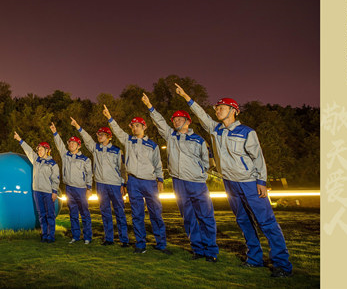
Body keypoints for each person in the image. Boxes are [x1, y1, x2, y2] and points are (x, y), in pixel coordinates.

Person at [175, 83, 293, 277]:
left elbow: (258, 158)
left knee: (266, 222)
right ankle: (254, 259)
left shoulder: (247, 132)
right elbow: (201, 115)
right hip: (230, 184)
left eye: (221, 107)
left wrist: (262, 181)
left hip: (250, 183)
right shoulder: (216, 130)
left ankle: (282, 264)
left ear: (234, 111)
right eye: (216, 108)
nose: (217, 110)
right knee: (244, 222)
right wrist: (186, 97)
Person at [141, 93, 218, 262]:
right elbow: (160, 122)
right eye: (174, 120)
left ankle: (211, 250)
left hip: (197, 183)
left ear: (188, 121)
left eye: (179, 119)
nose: (176, 122)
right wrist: (149, 106)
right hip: (179, 183)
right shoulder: (171, 136)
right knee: (188, 217)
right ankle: (197, 249)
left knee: (205, 216)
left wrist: (199, 173)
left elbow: (206, 161)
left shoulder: (198, 140)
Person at [103, 105, 168, 254]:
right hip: (133, 182)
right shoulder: (128, 141)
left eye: (137, 125)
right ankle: (140, 244)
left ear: (144, 127)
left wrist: (160, 180)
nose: (134, 128)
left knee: (155, 213)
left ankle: (161, 244)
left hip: (149, 181)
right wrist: (109, 118)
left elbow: (158, 164)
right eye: (132, 126)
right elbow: (118, 131)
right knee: (137, 214)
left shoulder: (152, 145)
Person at [70, 117, 130, 247]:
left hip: (115, 185)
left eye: (102, 134)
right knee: (105, 212)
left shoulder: (117, 150)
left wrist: (123, 184)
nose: (99, 136)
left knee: (119, 212)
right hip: (101, 185)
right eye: (98, 135)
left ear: (109, 136)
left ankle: (124, 240)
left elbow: (122, 169)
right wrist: (77, 126)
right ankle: (109, 238)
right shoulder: (95, 148)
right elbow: (87, 139)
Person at [50, 121, 93, 244]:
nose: (71, 144)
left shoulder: (85, 159)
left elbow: (89, 174)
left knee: (84, 213)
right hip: (69, 188)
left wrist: (89, 188)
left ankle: (87, 237)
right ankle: (75, 236)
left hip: (81, 189)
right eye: (70, 143)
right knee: (73, 213)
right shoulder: (65, 155)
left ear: (79, 146)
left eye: (74, 143)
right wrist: (55, 132)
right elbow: (59, 145)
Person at [14, 131, 60, 243]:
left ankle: (51, 236)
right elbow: (28, 150)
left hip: (48, 192)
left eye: (41, 149)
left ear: (47, 150)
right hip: (37, 192)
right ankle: (44, 235)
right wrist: (20, 140)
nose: (39, 151)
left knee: (50, 214)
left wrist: (54, 192)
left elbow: (56, 179)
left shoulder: (53, 164)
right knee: (41, 214)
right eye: (38, 149)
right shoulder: (36, 160)